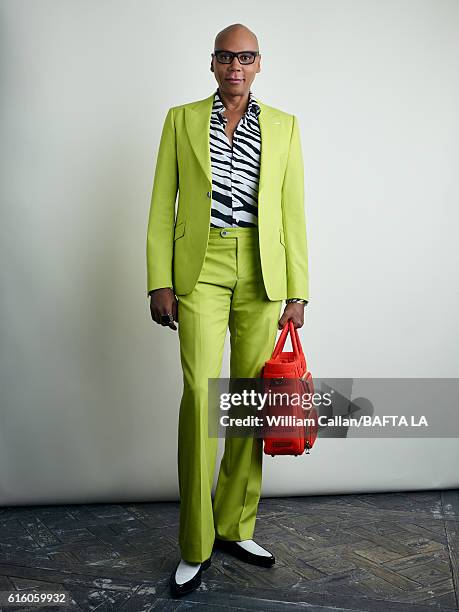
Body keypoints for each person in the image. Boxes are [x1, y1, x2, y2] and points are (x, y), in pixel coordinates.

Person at [146, 23, 309, 598]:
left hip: (264, 270)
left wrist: (299, 291)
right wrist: (159, 280)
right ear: (212, 63)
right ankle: (194, 543)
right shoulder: (181, 119)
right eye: (225, 56)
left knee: (249, 396)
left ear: (259, 64)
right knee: (201, 395)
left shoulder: (284, 127)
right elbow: (161, 205)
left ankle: (235, 526)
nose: (235, 66)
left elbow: (293, 214)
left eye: (246, 57)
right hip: (201, 265)